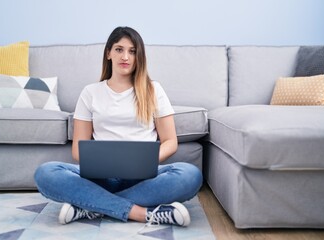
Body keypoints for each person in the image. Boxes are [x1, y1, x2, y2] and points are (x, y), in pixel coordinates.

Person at [34, 26, 203, 228]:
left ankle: (90, 206)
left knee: (190, 175)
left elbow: (170, 141)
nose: (125, 56)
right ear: (108, 53)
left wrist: (145, 161)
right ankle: (141, 213)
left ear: (139, 56)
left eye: (132, 51)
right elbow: (79, 148)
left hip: (143, 177)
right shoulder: (91, 92)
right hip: (100, 178)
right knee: (46, 173)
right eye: (119, 49)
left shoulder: (153, 89)